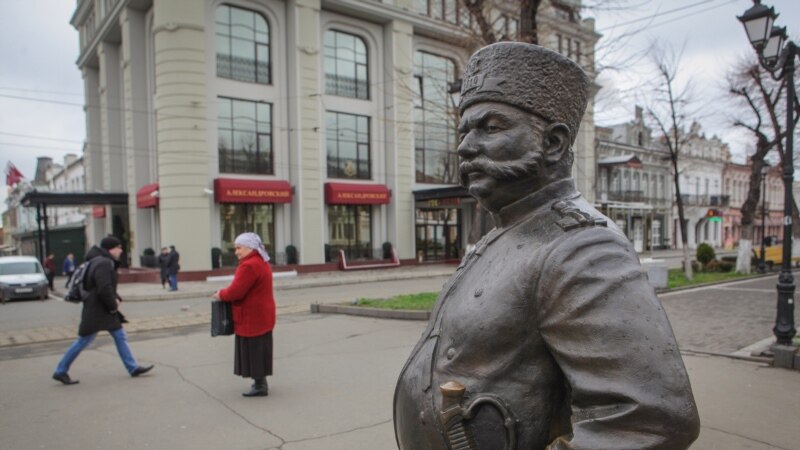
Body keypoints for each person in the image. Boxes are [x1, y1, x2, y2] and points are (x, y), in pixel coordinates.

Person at [394, 42, 700, 449]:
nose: (465, 146)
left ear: (553, 143)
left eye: (489, 127)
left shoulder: (583, 247)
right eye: (463, 130)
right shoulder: (504, 232)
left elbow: (650, 420)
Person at [52, 236, 154, 385]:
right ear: (110, 249)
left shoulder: (97, 260)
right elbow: (103, 287)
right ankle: (60, 370)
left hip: (100, 308)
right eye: (119, 247)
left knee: (120, 336)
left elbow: (104, 287)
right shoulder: (104, 263)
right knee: (84, 340)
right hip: (98, 310)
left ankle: (132, 367)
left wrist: (115, 297)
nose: (121, 250)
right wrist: (113, 304)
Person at [212, 232, 276, 397]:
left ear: (250, 247)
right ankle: (260, 382)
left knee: (254, 349)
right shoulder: (261, 261)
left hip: (251, 316)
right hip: (262, 314)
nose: (236, 251)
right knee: (260, 348)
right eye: (236, 248)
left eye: (239, 248)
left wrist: (221, 294)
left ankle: (260, 385)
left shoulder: (249, 265)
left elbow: (236, 291)